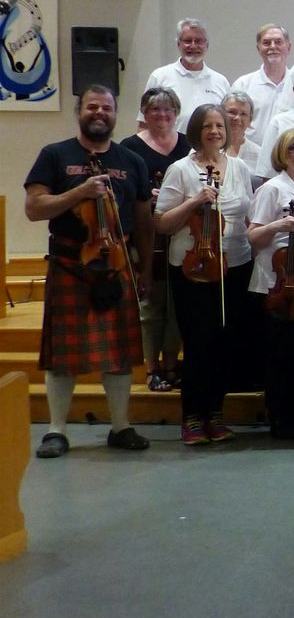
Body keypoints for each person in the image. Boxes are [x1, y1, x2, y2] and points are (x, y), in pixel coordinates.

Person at [25, 85, 153, 458]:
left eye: (107, 108)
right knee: (62, 357)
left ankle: (121, 426)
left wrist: (144, 268)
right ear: (80, 111)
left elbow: (144, 220)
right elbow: (35, 208)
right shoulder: (55, 155)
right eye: (92, 107)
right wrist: (78, 193)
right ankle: (56, 430)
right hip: (70, 264)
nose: (100, 113)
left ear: (115, 114)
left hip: (116, 264)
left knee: (120, 354)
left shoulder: (131, 161)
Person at [154, 104, 254, 444]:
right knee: (199, 344)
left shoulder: (238, 168)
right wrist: (195, 201)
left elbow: (247, 214)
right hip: (192, 267)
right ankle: (192, 417)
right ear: (196, 130)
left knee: (225, 344)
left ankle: (215, 413)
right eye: (208, 126)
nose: (215, 131)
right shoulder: (180, 169)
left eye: (220, 126)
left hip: (234, 265)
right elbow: (162, 222)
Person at [247, 128, 294, 439]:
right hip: (275, 285)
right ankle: (281, 418)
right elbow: (253, 235)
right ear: (282, 153)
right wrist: (280, 223)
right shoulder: (273, 189)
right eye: (293, 149)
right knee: (280, 355)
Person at [120, 87, 189, 392]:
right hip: (145, 234)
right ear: (144, 114)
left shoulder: (188, 145)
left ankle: (172, 363)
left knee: (177, 304)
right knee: (150, 303)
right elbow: (123, 193)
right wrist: (148, 197)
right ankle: (152, 368)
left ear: (176, 114)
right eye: (154, 110)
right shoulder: (129, 148)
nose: (162, 116)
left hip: (181, 233)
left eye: (168, 110)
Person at [143, 18, 230, 131]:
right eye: (188, 41)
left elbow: (227, 126)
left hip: (209, 147)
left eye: (199, 41)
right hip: (169, 147)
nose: (193, 46)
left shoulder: (221, 81)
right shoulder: (160, 77)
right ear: (179, 44)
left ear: (206, 45)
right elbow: (144, 124)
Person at [229, 24, 292, 144]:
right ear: (258, 49)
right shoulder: (243, 85)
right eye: (267, 43)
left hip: (289, 156)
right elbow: (231, 124)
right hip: (250, 158)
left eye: (278, 42)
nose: (273, 47)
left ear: (288, 48)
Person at [221, 91, 260, 172]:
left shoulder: (259, 154)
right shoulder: (207, 148)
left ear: (250, 120)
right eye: (232, 112)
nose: (237, 118)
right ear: (220, 114)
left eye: (243, 114)